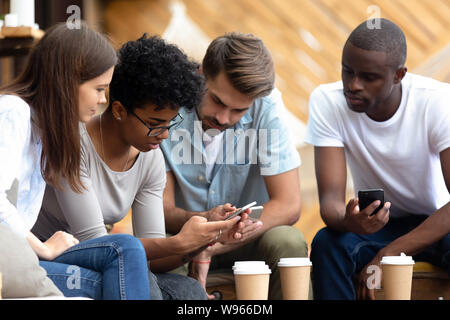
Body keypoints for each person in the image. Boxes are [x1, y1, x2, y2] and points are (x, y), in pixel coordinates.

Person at [32, 34, 245, 300]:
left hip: (111, 261)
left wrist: (204, 239)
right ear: (120, 111)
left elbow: (153, 258)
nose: (164, 135)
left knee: (187, 291)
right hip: (46, 261)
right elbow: (102, 247)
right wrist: (179, 241)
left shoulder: (150, 158)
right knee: (128, 258)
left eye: (170, 123)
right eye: (155, 123)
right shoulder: (72, 144)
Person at [0, 22, 151, 300]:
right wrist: (43, 248)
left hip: (22, 256)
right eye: (98, 88)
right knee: (120, 259)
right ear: (68, 80)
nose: (103, 99)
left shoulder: (46, 132)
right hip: (9, 260)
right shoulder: (13, 112)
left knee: (123, 251)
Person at [306, 18, 450, 300]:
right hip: (378, 228)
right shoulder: (327, 102)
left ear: (398, 75)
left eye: (368, 77)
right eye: (347, 71)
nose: (353, 85)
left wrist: (391, 253)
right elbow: (331, 203)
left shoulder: (436, 102)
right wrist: (350, 222)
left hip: (437, 224)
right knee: (328, 243)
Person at [161, 32, 309, 300]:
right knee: (159, 250)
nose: (223, 118)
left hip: (245, 240)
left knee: (288, 241)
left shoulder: (267, 104)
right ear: (202, 73)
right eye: (217, 100)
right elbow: (162, 208)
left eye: (239, 111)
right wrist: (204, 231)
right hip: (181, 239)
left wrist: (215, 242)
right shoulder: (168, 101)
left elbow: (288, 204)